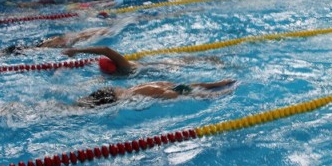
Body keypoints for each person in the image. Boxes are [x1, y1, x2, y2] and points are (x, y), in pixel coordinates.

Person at [76, 78, 235, 107]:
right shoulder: (139, 91)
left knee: (178, 88)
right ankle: (215, 91)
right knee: (179, 89)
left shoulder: (134, 90)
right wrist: (213, 94)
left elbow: (180, 88)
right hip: (162, 91)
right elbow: (178, 91)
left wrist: (215, 85)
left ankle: (215, 89)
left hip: (166, 89)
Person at [63, 46, 221, 75]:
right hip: (153, 67)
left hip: (162, 67)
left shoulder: (124, 67)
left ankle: (212, 59)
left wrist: (77, 50)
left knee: (188, 62)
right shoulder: (119, 71)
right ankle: (210, 59)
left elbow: (106, 50)